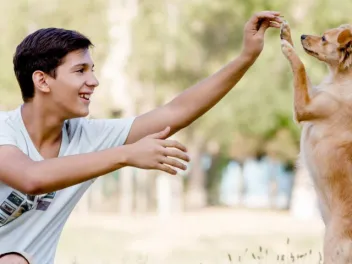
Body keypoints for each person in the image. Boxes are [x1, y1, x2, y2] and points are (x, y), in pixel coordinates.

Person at [0, 11, 282, 264]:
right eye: (80, 71)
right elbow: (31, 178)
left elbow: (176, 111)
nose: (94, 81)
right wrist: (126, 155)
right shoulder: (4, 129)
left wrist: (246, 57)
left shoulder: (87, 137)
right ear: (42, 80)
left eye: (92, 70)